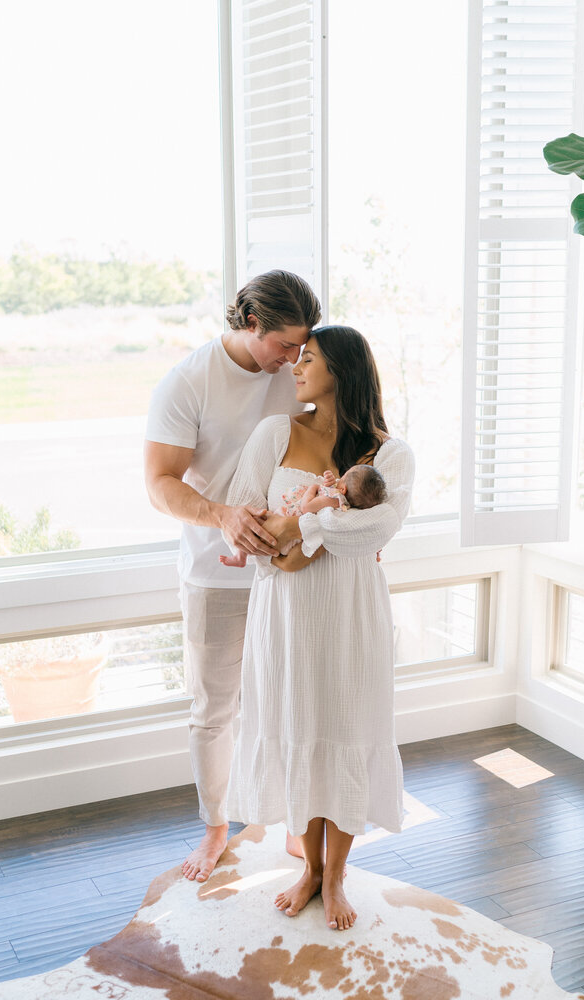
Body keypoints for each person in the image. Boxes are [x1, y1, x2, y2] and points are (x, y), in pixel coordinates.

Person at [223, 326, 415, 930]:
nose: (295, 367)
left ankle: (336, 877)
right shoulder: (274, 433)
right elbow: (245, 521)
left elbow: (374, 534)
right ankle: (308, 869)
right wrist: (310, 525)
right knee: (296, 730)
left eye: (308, 358)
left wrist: (299, 530)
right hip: (284, 620)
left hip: (352, 619)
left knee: (349, 733)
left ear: (344, 369)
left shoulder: (391, 455)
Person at [143, 270, 321, 883]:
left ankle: (297, 819)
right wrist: (219, 514)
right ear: (251, 325)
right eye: (284, 345)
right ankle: (218, 825)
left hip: (292, 567)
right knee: (216, 707)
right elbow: (159, 484)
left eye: (303, 346)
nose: (295, 359)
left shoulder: (300, 373)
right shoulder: (188, 381)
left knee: (294, 700)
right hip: (214, 574)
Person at [218, 464, 387, 567]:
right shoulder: (343, 505)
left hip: (289, 524)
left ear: (343, 489)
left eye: (342, 478)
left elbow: (307, 507)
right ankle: (241, 556)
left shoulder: (332, 499)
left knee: (254, 523)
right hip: (292, 529)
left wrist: (313, 488)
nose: (337, 479)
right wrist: (328, 481)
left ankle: (240, 557)